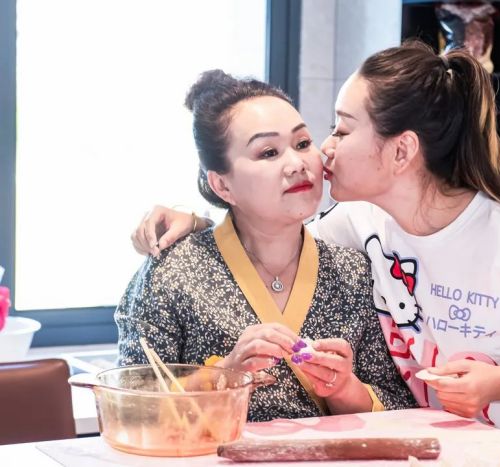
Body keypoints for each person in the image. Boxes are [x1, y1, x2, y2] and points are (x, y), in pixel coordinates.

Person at [131, 42, 500, 464]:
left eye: (338, 131)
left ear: (401, 151)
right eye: (271, 150)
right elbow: (265, 230)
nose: (321, 151)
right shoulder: (361, 224)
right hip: (453, 453)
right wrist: (196, 225)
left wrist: (498, 385)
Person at [116, 69, 417, 423]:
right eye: (269, 152)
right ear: (222, 186)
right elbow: (128, 410)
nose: (297, 164)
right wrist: (223, 375)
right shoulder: (172, 271)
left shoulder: (353, 272)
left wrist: (343, 388)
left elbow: (401, 406)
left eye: (302, 143)